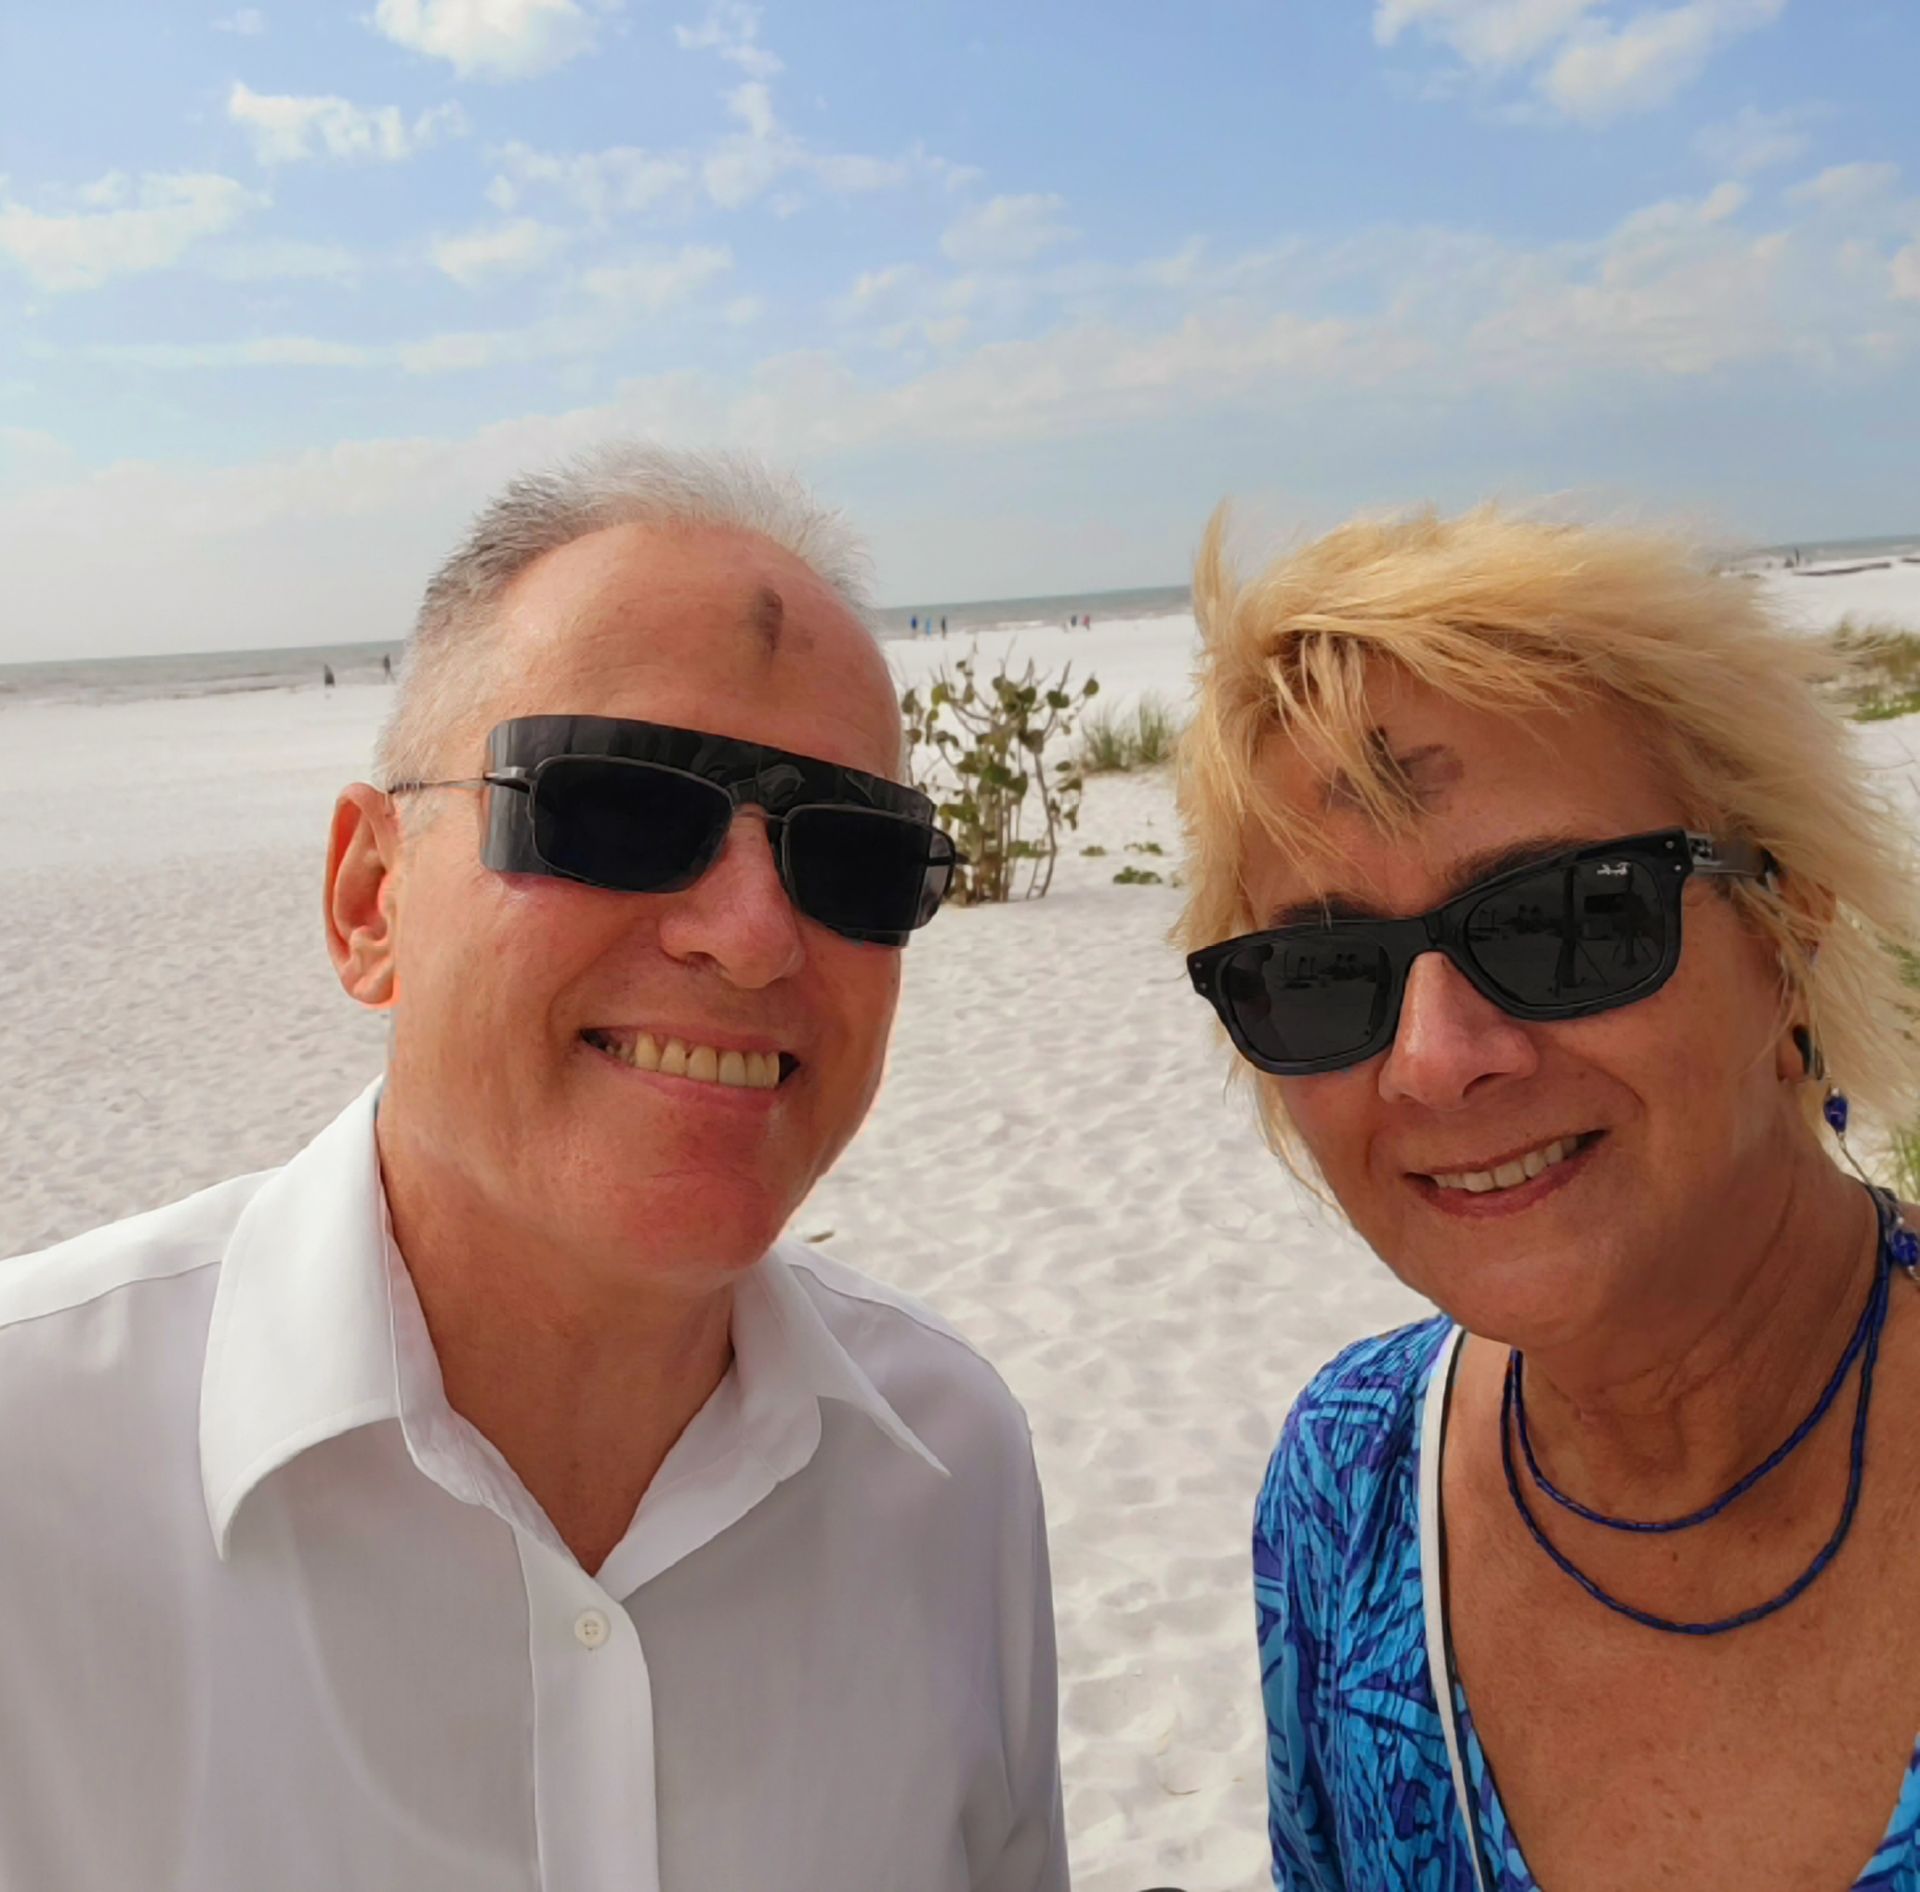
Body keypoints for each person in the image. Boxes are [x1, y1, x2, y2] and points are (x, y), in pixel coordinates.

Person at [0, 444, 1066, 1891]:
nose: (752, 933)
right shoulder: (35, 1465)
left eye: (855, 856)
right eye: (617, 806)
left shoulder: (951, 1475)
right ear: (370, 898)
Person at [1176, 504, 1920, 1889]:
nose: (1436, 1061)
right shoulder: (1352, 1490)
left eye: (1562, 920)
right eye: (1327, 972)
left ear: (1787, 923)